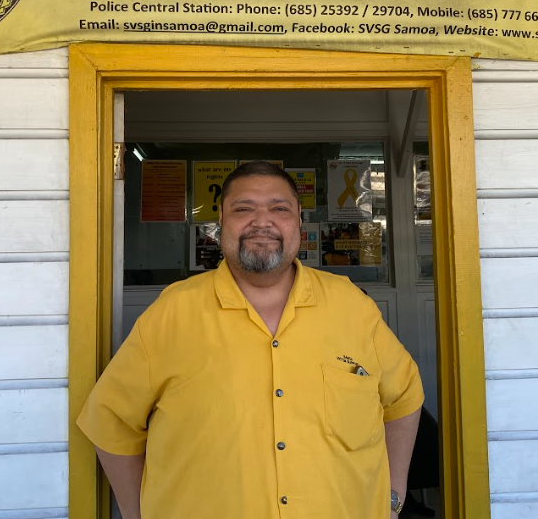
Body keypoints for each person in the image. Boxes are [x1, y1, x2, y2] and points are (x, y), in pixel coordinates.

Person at [77, 161, 424, 519]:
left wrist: (393, 498)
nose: (262, 221)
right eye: (243, 209)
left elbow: (404, 397)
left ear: (299, 225)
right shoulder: (172, 312)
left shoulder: (352, 307)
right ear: (221, 225)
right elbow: (111, 421)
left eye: (280, 208)